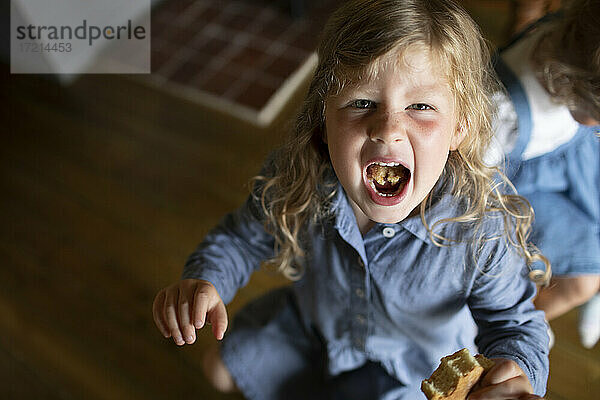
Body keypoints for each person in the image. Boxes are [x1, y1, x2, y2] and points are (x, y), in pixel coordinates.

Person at [153, 1, 550, 399]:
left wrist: (516, 371)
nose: (388, 129)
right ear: (323, 122)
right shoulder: (299, 177)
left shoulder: (479, 227)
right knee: (221, 369)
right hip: (319, 330)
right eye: (362, 103)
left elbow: (516, 324)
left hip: (411, 367)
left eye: (421, 107)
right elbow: (241, 239)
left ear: (459, 128)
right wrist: (206, 279)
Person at [489, 0, 600, 349]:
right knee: (584, 279)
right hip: (518, 189)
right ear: (573, 84)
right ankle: (519, 323)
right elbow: (475, 189)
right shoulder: (502, 113)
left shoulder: (572, 31)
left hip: (571, 159)